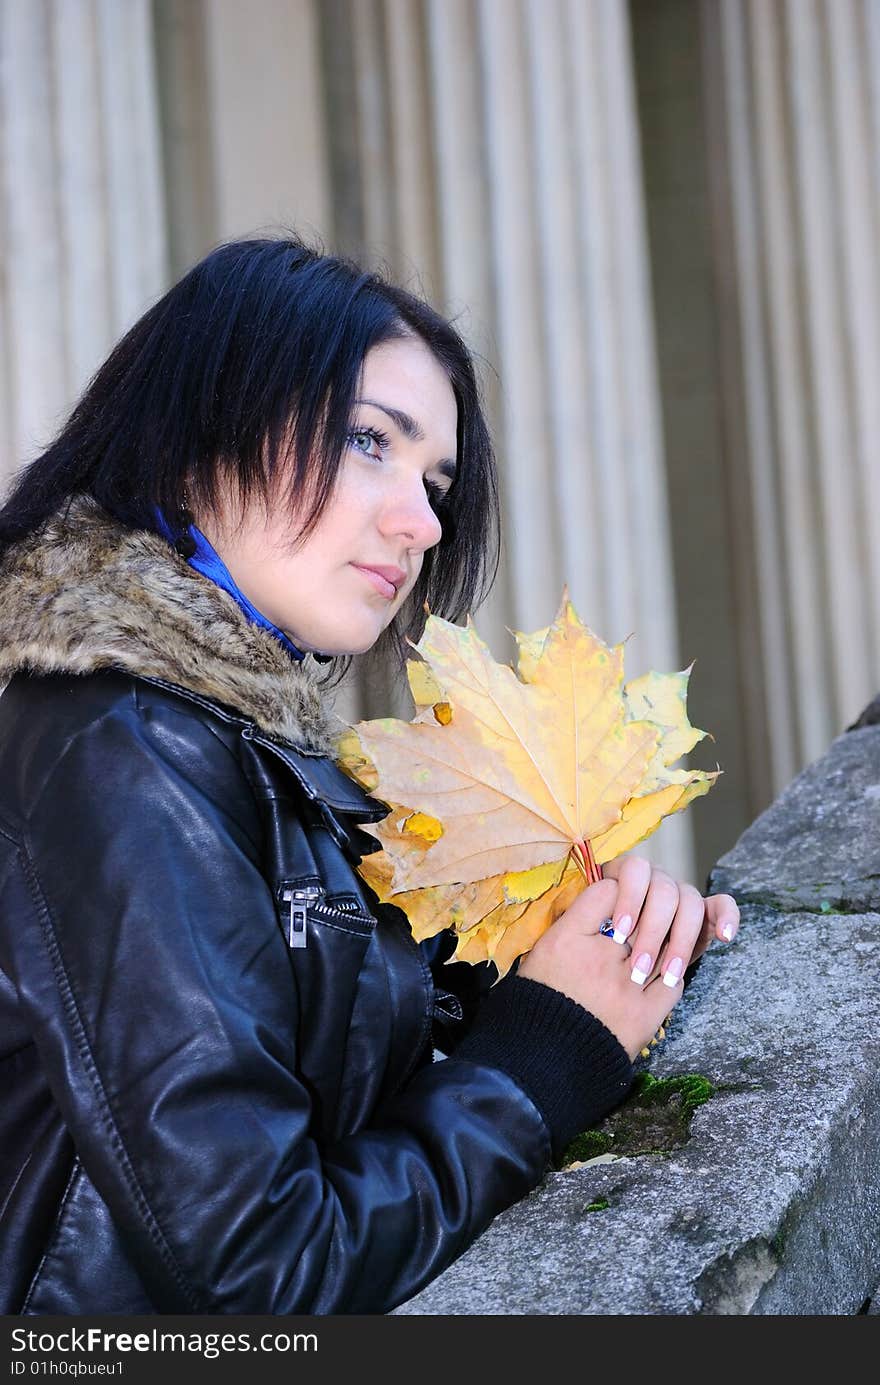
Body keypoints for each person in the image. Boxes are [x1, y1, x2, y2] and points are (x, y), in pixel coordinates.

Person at [0, 235, 739, 1315]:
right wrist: (543, 1056)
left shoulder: (244, 745)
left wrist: (561, 950)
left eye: (435, 479)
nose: (423, 520)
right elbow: (262, 1264)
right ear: (201, 424)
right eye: (365, 441)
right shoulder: (119, 745)